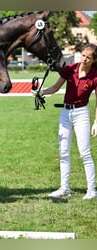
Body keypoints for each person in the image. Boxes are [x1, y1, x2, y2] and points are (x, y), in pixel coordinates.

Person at [36, 43, 97, 199]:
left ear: (93, 60)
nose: (84, 59)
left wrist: (96, 121)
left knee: (85, 152)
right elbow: (56, 87)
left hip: (81, 114)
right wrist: (41, 92)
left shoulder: (95, 76)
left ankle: (92, 190)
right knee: (63, 152)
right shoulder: (70, 69)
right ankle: (65, 188)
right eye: (83, 55)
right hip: (65, 113)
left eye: (88, 57)